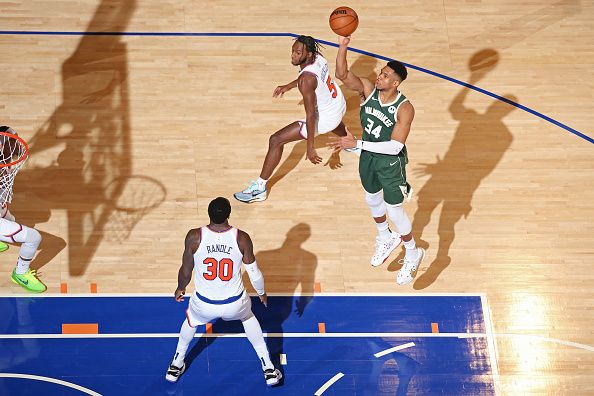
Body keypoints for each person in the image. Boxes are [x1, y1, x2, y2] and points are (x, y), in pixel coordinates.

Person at [328, 36, 425, 285]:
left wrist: (356, 144)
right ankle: (386, 237)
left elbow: (394, 147)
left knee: (394, 209)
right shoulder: (368, 91)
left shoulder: (405, 108)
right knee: (371, 197)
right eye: (380, 74)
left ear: (395, 82)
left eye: (384, 76)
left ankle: (413, 253)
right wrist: (342, 46)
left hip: (390, 163)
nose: (379, 77)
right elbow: (342, 74)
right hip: (368, 156)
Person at [165, 197, 282, 386]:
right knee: (249, 318)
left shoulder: (194, 236)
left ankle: (176, 365)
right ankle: (268, 368)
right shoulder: (241, 238)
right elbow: (254, 273)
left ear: (208, 213)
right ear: (229, 214)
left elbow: (186, 270)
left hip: (205, 303)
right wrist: (261, 292)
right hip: (235, 303)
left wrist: (180, 288)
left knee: (191, 321)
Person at [234, 35, 348, 203]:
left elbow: (310, 115)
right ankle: (351, 143)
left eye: (298, 52)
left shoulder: (305, 80)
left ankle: (259, 188)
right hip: (338, 102)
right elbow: (308, 79)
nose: (293, 55)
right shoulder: (319, 58)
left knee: (276, 140)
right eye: (293, 51)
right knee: (329, 116)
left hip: (327, 116)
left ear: (308, 54)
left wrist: (310, 147)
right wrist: (288, 86)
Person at [0, 126, 45, 292]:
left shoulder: (6, 164)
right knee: (34, 237)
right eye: (12, 141)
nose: (16, 144)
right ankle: (20, 273)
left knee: (11, 220)